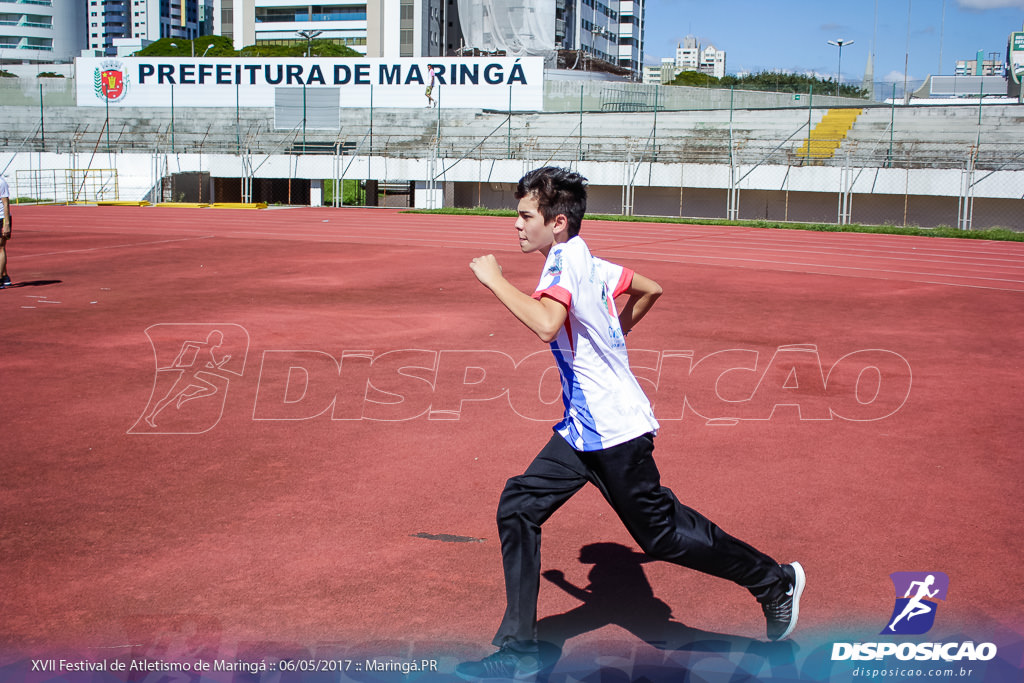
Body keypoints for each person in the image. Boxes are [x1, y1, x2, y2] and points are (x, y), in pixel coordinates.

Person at [458, 166, 804, 680]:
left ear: (557, 223)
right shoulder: (589, 261)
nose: (516, 225)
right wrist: (609, 344)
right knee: (519, 507)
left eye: (524, 215)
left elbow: (547, 324)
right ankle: (520, 650)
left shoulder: (562, 264)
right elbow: (650, 289)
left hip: (614, 432)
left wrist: (495, 281)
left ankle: (773, 581)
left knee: (662, 536)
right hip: (582, 429)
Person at [0, 173, 11, 288]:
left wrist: (6, 223)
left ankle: (0, 279)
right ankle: (5, 275)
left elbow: (5, 203)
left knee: (0, 247)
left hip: (1, 217)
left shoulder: (1, 183)